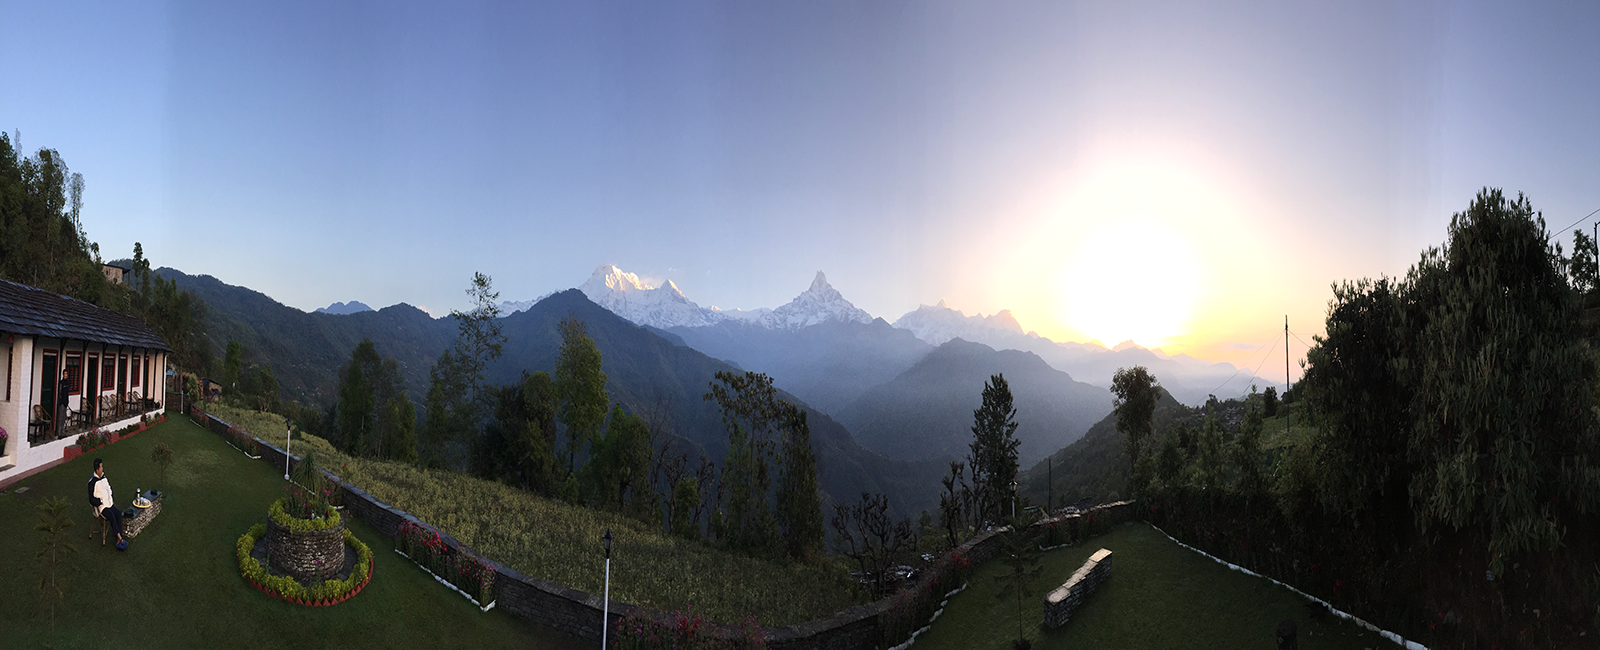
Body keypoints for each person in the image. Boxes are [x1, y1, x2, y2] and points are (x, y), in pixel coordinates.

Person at [88, 458, 128, 550]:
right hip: (102, 507)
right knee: (111, 516)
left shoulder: (104, 477)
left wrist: (110, 497)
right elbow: (91, 499)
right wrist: (100, 502)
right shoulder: (92, 482)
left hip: (110, 503)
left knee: (118, 514)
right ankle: (120, 539)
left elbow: (108, 488)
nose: (102, 469)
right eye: (101, 467)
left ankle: (118, 539)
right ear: (97, 470)